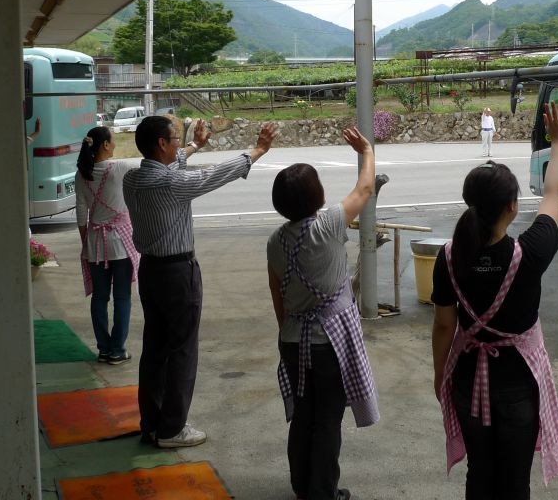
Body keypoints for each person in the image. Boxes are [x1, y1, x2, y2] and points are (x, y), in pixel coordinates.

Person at [431, 103, 558, 499]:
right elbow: (554, 192)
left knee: (480, 474)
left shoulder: (448, 256)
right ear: (512, 207)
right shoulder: (531, 251)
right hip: (517, 388)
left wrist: (440, 376)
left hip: (466, 379)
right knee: (513, 481)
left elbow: (444, 325)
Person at [123, 115, 277, 449]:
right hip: (177, 274)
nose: (179, 144)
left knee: (155, 349)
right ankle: (172, 429)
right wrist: (259, 150)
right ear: (162, 144)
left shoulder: (132, 180)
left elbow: (169, 166)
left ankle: (152, 423)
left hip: (149, 271)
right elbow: (212, 176)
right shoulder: (171, 185)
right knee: (182, 351)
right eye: (175, 139)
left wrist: (195, 145)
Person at [267, 126, 379, 500]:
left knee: (303, 415)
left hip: (293, 339)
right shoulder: (329, 224)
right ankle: (323, 492)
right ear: (316, 196)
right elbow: (365, 189)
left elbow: (277, 295)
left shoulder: (275, 241)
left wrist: (289, 333)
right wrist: (365, 150)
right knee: (329, 418)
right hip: (329, 341)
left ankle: (303, 486)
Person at [75, 125, 140, 365]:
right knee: (122, 297)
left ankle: (103, 348)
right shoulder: (120, 168)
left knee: (99, 298)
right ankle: (117, 350)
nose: (114, 143)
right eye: (112, 139)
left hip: (95, 244)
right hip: (121, 243)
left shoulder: (82, 173)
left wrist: (87, 243)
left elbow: (82, 215)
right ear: (104, 145)